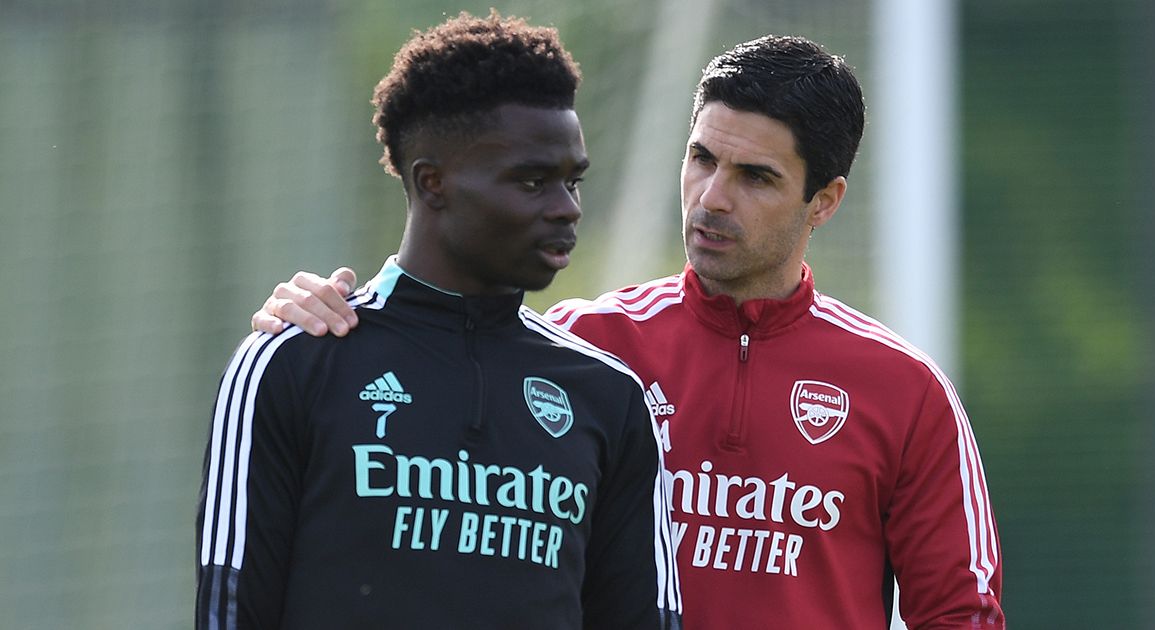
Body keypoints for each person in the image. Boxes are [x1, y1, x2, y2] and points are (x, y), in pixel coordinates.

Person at [255, 35, 1005, 629]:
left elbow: (960, 613)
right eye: (702, 158)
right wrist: (314, 320)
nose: (712, 198)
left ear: (825, 201)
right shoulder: (581, 351)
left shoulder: (904, 391)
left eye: (756, 177)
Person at [197, 12, 682, 630]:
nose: (566, 209)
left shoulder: (609, 397)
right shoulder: (294, 360)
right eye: (532, 181)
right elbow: (231, 606)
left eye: (572, 181)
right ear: (434, 183)